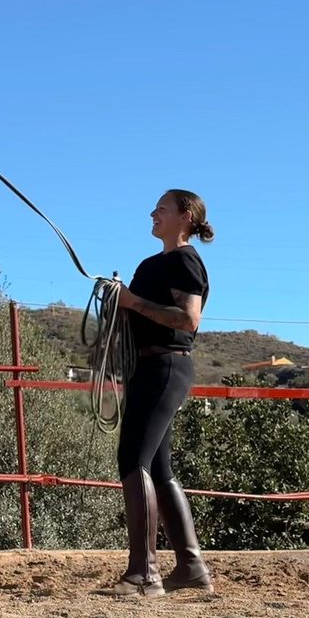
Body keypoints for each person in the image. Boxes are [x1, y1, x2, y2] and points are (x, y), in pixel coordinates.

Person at [109, 189, 215, 597]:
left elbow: (188, 319)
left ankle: (144, 573)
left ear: (185, 216)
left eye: (162, 208)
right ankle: (190, 567)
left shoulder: (185, 261)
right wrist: (123, 302)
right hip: (149, 366)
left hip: (166, 364)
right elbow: (134, 308)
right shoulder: (152, 264)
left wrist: (133, 301)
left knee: (133, 458)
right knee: (158, 467)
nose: (153, 213)